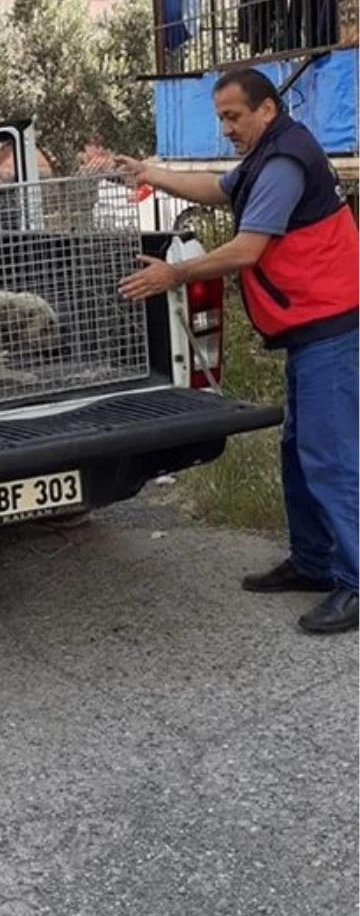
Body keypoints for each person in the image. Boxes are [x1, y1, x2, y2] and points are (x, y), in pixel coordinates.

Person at [117, 66, 358, 637]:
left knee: (331, 458)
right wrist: (150, 172)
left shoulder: (283, 163)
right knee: (299, 451)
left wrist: (175, 273)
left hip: (332, 328)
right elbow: (217, 189)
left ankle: (354, 580)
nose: (225, 128)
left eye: (233, 117)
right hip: (311, 328)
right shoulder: (266, 154)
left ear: (266, 110)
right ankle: (313, 562)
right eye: (220, 118)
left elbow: (247, 250)